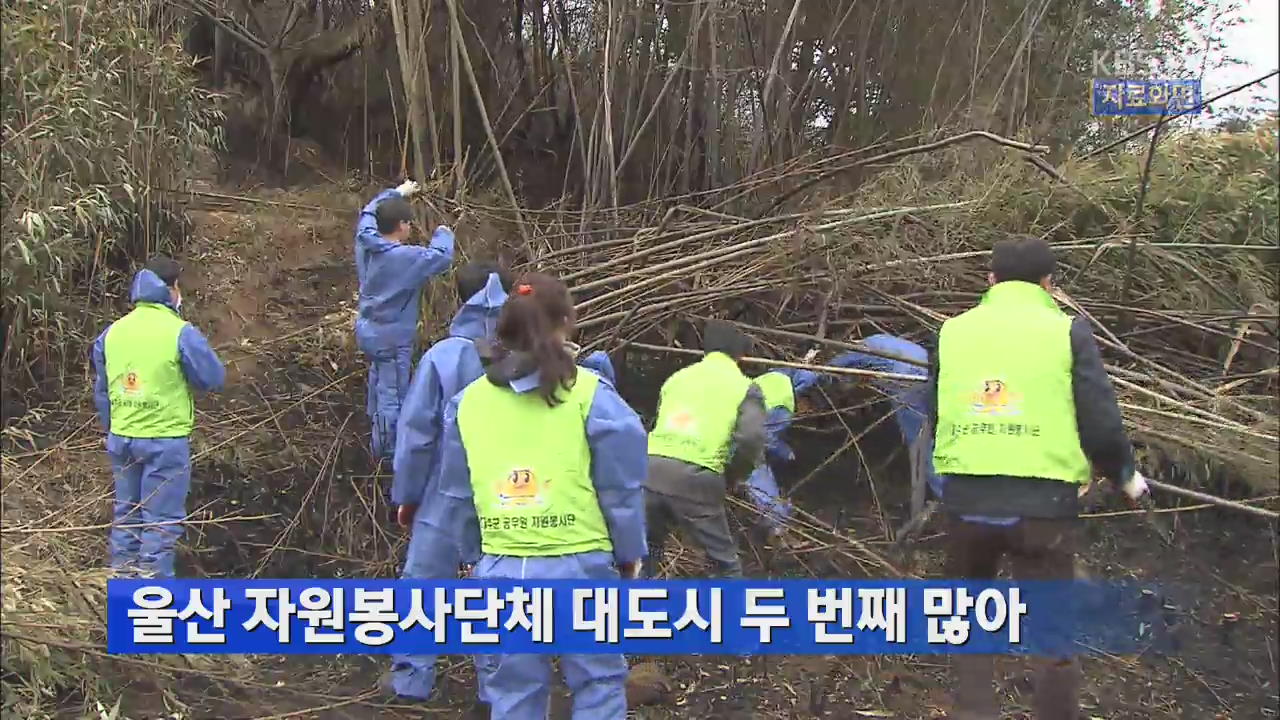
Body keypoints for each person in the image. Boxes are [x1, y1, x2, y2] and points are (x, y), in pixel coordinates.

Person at [926, 236, 1149, 720]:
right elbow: (1100, 420)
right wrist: (1125, 475)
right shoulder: (1068, 331)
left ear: (991, 279)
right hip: (1043, 506)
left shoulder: (951, 331)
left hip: (966, 499)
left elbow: (935, 410)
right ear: (1050, 284)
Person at [430, 272, 647, 720]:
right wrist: (629, 554)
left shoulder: (467, 403)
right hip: (581, 567)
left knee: (512, 693)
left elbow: (456, 494)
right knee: (599, 683)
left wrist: (476, 556)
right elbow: (621, 489)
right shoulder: (590, 394)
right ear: (567, 321)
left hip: (501, 569)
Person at [384, 261, 513, 703]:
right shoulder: (529, 357)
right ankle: (497, 692)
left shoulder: (443, 356)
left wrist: (407, 495)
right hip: (510, 494)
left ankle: (411, 681)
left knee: (423, 583)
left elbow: (416, 432)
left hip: (446, 488)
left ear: (461, 299)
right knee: (496, 589)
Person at [91, 256, 226, 578]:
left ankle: (121, 593)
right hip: (164, 441)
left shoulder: (112, 333)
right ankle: (153, 601)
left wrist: (113, 428)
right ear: (171, 289)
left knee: (127, 518)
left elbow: (102, 391)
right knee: (160, 525)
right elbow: (212, 378)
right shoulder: (179, 332)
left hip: (122, 438)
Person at [645, 320, 767, 577]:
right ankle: (734, 613)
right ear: (741, 355)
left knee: (648, 553)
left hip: (648, 470)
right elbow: (750, 438)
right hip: (696, 477)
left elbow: (659, 419)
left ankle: (634, 611)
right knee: (725, 563)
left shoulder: (677, 378)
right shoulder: (745, 387)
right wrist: (734, 476)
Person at [354, 179, 455, 461]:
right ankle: (386, 451)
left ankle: (374, 426)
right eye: (408, 223)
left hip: (369, 329)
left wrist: (398, 193)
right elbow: (441, 257)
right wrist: (444, 232)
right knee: (393, 392)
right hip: (392, 336)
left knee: (379, 377)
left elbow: (368, 212)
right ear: (400, 225)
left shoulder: (367, 241)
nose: (411, 229)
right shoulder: (403, 258)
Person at [829, 334, 941, 513]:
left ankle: (942, 495)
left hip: (907, 381)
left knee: (920, 444)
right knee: (936, 433)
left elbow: (830, 375)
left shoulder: (851, 354)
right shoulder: (878, 340)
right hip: (927, 370)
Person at [743, 367, 819, 540]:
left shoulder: (776, 377)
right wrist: (785, 453)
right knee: (755, 468)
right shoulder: (784, 406)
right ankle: (777, 525)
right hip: (739, 433)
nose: (808, 413)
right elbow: (765, 439)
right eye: (810, 407)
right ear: (804, 397)